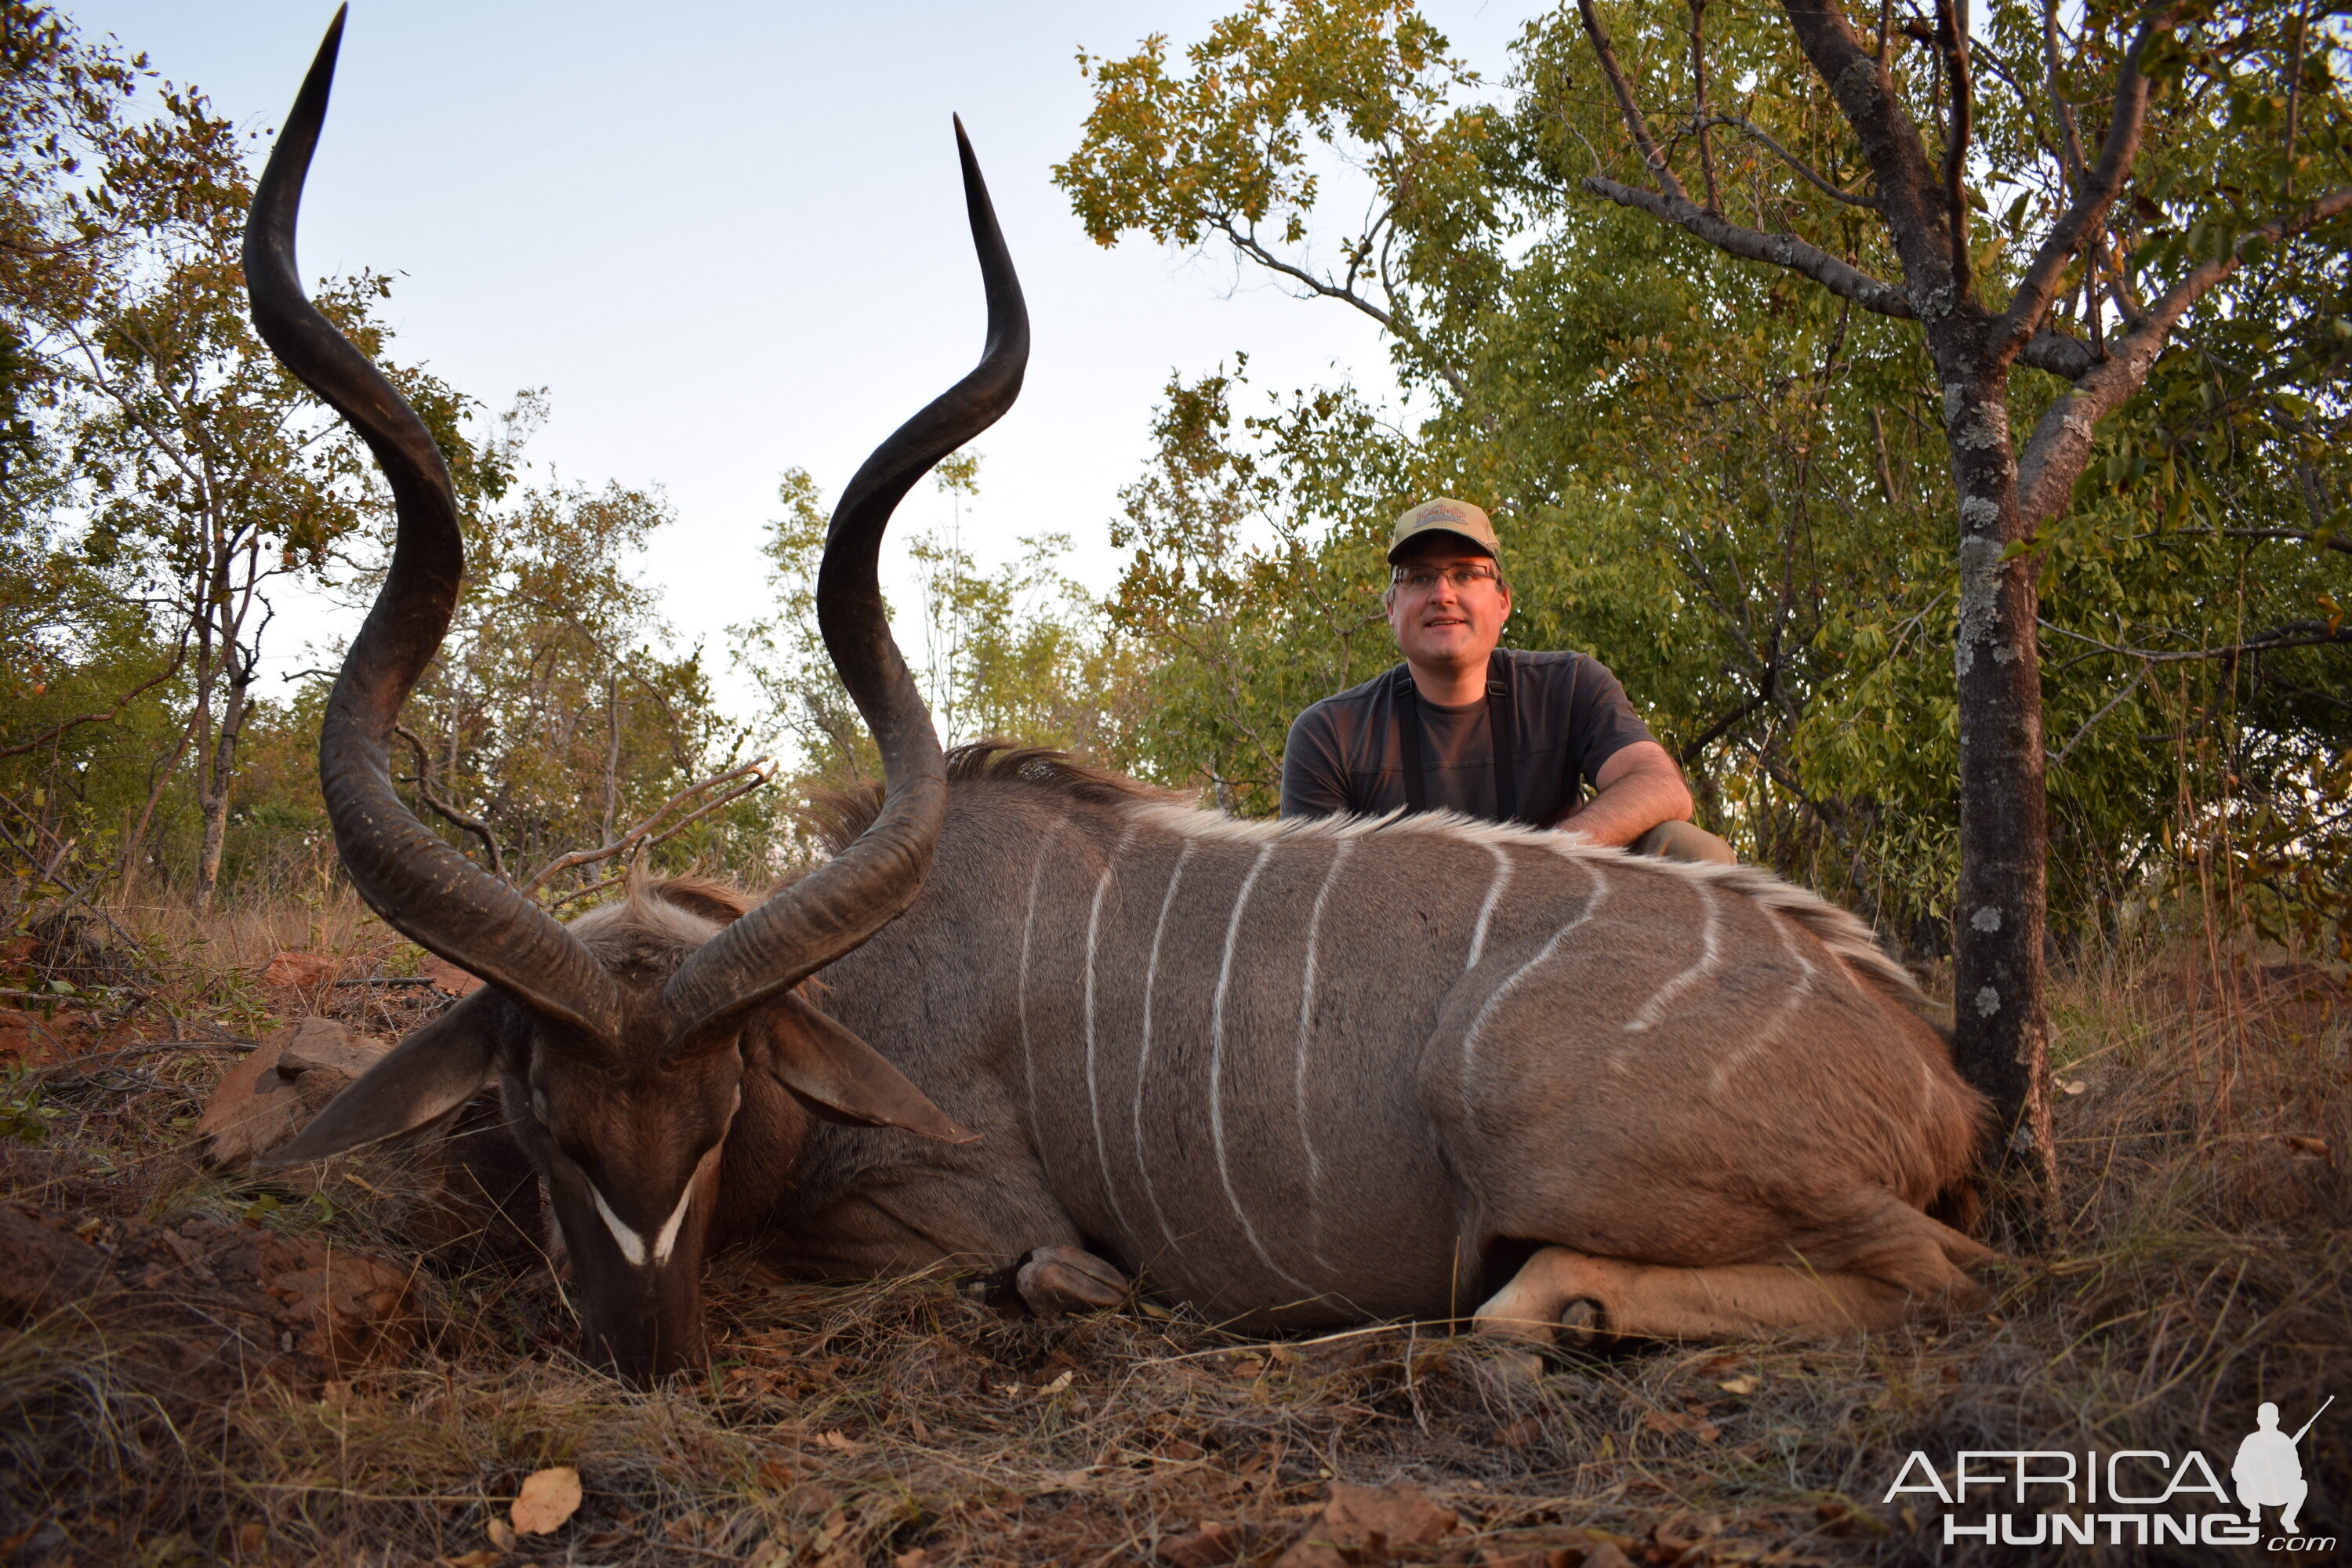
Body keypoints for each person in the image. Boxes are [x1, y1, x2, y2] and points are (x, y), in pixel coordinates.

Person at [1279, 497, 1735, 863]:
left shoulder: (1570, 683)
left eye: (1465, 574)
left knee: (1692, 850)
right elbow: (1312, 893)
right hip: (1410, 948)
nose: (1442, 594)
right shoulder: (1329, 735)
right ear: (1391, 609)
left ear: (1502, 602)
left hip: (1558, 919)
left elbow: (1660, 785)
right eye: (1419, 578)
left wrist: (1538, 862)